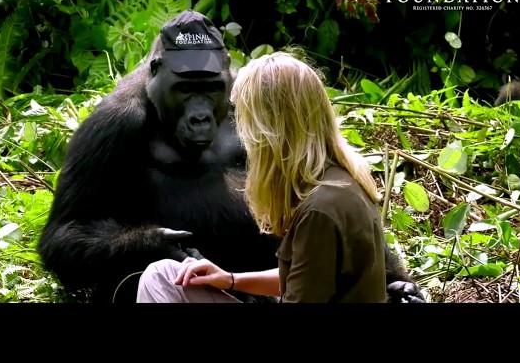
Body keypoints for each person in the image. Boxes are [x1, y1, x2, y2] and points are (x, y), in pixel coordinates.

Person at [136, 49, 388, 303]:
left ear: (271, 130)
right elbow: (302, 276)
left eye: (246, 123)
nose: (244, 139)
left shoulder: (320, 210)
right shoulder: (336, 181)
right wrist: (230, 279)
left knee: (160, 285)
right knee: (161, 275)